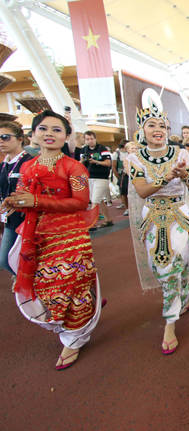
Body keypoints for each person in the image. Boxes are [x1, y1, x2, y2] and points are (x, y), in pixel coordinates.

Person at [2, 110, 102, 370]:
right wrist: (15, 203)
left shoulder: (74, 166)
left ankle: (75, 338)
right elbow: (26, 197)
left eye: (56, 129)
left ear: (66, 136)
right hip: (38, 236)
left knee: (72, 284)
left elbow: (80, 202)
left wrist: (36, 201)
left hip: (71, 235)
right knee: (47, 287)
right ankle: (69, 327)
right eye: (43, 129)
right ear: (33, 134)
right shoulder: (28, 167)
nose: (49, 134)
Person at [127, 103, 189, 355]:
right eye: (151, 125)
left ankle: (170, 322)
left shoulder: (181, 154)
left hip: (178, 214)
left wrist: (184, 176)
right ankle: (185, 294)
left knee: (172, 264)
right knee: (159, 265)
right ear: (142, 130)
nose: (158, 129)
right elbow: (142, 191)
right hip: (152, 216)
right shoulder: (134, 158)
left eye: (162, 125)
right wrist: (167, 177)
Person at [0, 121, 32, 273]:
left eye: (5, 137)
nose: (1, 141)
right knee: (6, 260)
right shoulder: (3, 165)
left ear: (20, 139)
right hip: (10, 220)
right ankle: (22, 282)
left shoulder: (29, 162)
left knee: (14, 259)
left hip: (28, 219)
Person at [80, 131, 114, 229]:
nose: (90, 141)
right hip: (89, 177)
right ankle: (108, 219)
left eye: (91, 139)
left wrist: (95, 161)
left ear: (95, 139)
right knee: (98, 200)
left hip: (102, 177)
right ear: (85, 140)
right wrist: (82, 161)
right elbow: (80, 164)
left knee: (95, 200)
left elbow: (108, 163)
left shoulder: (102, 149)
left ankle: (92, 223)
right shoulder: (84, 150)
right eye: (87, 139)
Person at [111, 139, 130, 216]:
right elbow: (114, 167)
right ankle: (127, 208)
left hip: (131, 175)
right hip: (122, 175)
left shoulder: (131, 152)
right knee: (124, 192)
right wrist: (118, 177)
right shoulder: (117, 154)